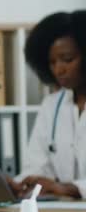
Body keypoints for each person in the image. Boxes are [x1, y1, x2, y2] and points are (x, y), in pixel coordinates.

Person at [9, 11, 86, 199]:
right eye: (52, 62)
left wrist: (70, 188)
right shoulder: (52, 105)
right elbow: (37, 165)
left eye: (67, 59)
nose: (59, 69)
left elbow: (62, 187)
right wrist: (25, 183)